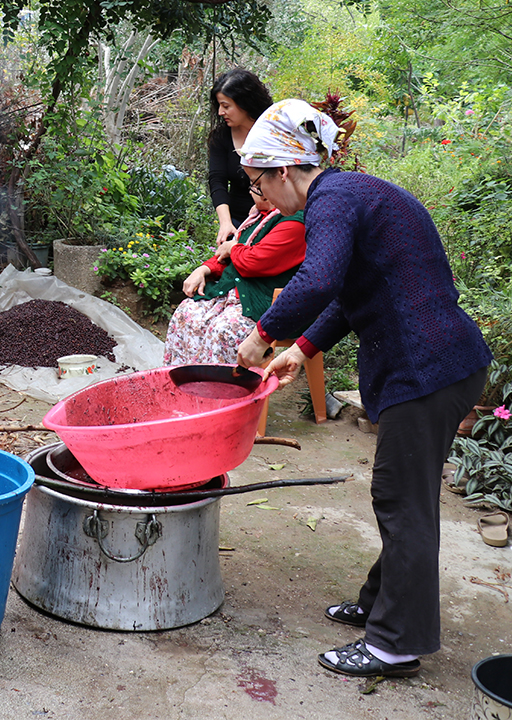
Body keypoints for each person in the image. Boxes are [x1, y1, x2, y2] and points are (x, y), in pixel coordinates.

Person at [235, 99, 491, 678]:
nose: (261, 199)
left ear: (283, 170)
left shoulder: (334, 201)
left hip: (424, 369)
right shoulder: (352, 194)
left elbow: (318, 279)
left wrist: (264, 336)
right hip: (438, 363)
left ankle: (395, 645)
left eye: (259, 184)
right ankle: (382, 605)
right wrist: (299, 351)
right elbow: (351, 293)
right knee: (407, 496)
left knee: (403, 502)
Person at [163, 187, 305, 366]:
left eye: (257, 186)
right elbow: (227, 257)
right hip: (235, 294)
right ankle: (182, 385)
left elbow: (252, 262)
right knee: (186, 314)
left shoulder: (294, 222)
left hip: (265, 302)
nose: (252, 191)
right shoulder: (258, 217)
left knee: (224, 331)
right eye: (254, 186)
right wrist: (204, 269)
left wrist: (232, 248)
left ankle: (221, 391)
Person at [206, 69, 274, 246]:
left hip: (276, 219)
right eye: (219, 106)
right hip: (237, 222)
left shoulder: (275, 131)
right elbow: (217, 180)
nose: (221, 112)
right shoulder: (221, 137)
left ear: (245, 103)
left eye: (226, 106)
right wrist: (226, 223)